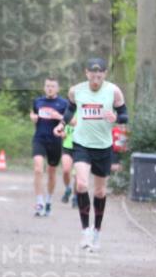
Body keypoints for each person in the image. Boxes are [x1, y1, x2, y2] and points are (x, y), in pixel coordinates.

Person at [54, 58, 128, 251]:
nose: (96, 78)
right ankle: (85, 230)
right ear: (86, 73)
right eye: (93, 74)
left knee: (100, 191)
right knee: (81, 184)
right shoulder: (76, 90)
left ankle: (97, 231)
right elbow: (70, 110)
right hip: (81, 145)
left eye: (100, 74)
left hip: (103, 147)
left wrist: (117, 117)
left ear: (104, 74)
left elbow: (125, 115)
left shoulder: (113, 91)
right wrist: (61, 124)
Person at [29, 78, 68, 216]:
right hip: (39, 138)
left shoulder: (63, 103)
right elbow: (33, 113)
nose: (50, 88)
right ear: (44, 87)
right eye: (47, 86)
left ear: (57, 88)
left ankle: (49, 201)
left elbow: (69, 121)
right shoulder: (38, 101)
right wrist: (32, 117)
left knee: (51, 172)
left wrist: (59, 117)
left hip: (55, 141)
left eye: (52, 86)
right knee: (38, 168)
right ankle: (39, 202)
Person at [61, 121, 78, 207]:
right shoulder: (67, 112)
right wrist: (62, 133)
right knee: (66, 171)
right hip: (67, 146)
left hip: (80, 148)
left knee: (77, 175)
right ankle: (68, 188)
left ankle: (75, 197)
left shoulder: (84, 111)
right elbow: (60, 128)